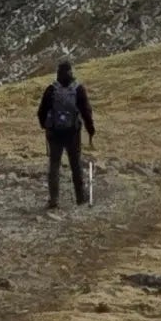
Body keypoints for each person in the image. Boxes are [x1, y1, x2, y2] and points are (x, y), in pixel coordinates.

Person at [37, 52, 95, 209]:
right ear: (71, 72)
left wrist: (46, 125)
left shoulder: (51, 89)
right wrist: (90, 130)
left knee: (54, 166)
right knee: (76, 165)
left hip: (54, 134)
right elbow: (86, 111)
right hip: (72, 133)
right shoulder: (78, 89)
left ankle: (54, 199)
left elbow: (41, 111)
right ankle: (81, 199)